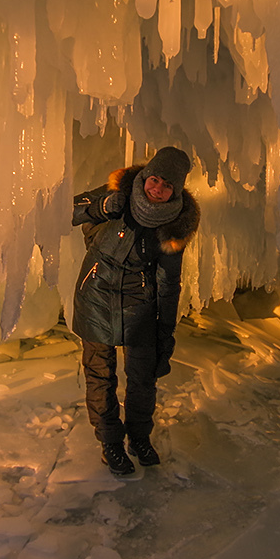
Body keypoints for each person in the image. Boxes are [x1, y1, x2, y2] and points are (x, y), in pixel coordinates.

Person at [71, 147, 200, 476]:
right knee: (100, 374)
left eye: (167, 186)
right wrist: (100, 206)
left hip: (138, 306)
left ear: (177, 191)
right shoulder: (118, 191)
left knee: (143, 378)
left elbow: (169, 283)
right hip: (96, 295)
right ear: (145, 176)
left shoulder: (174, 226)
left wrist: (165, 333)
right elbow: (66, 211)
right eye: (154, 179)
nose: (157, 189)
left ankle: (139, 437)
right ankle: (110, 442)